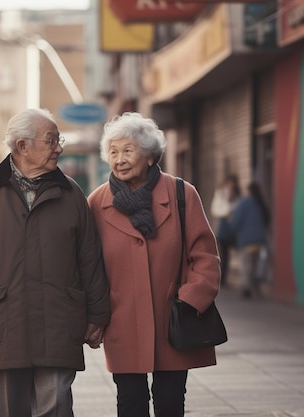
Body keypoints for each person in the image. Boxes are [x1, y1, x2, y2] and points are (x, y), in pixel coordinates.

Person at [0, 108, 110, 417]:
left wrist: (97, 316)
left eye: (58, 140)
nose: (59, 147)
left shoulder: (70, 193)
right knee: (10, 409)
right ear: (22, 146)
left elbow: (90, 259)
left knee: (57, 405)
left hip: (59, 321)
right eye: (51, 140)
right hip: (5, 321)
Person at [87, 112, 221, 417]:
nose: (119, 159)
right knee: (130, 403)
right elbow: (88, 265)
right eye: (113, 152)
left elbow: (205, 256)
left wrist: (190, 300)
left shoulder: (181, 194)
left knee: (171, 401)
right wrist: (95, 313)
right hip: (122, 320)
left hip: (173, 318)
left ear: (149, 157)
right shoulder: (96, 203)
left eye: (128, 151)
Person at [230, 181, 270, 299]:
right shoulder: (261, 203)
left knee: (245, 264)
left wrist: (233, 229)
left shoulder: (244, 203)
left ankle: (246, 286)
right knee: (256, 263)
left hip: (246, 240)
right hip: (259, 240)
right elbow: (267, 220)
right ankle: (256, 284)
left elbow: (236, 220)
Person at [210, 174, 241, 287]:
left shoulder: (237, 196)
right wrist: (228, 210)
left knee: (230, 254)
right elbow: (215, 210)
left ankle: (227, 277)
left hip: (233, 228)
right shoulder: (220, 194)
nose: (232, 186)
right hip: (223, 228)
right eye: (230, 183)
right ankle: (222, 279)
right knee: (223, 254)